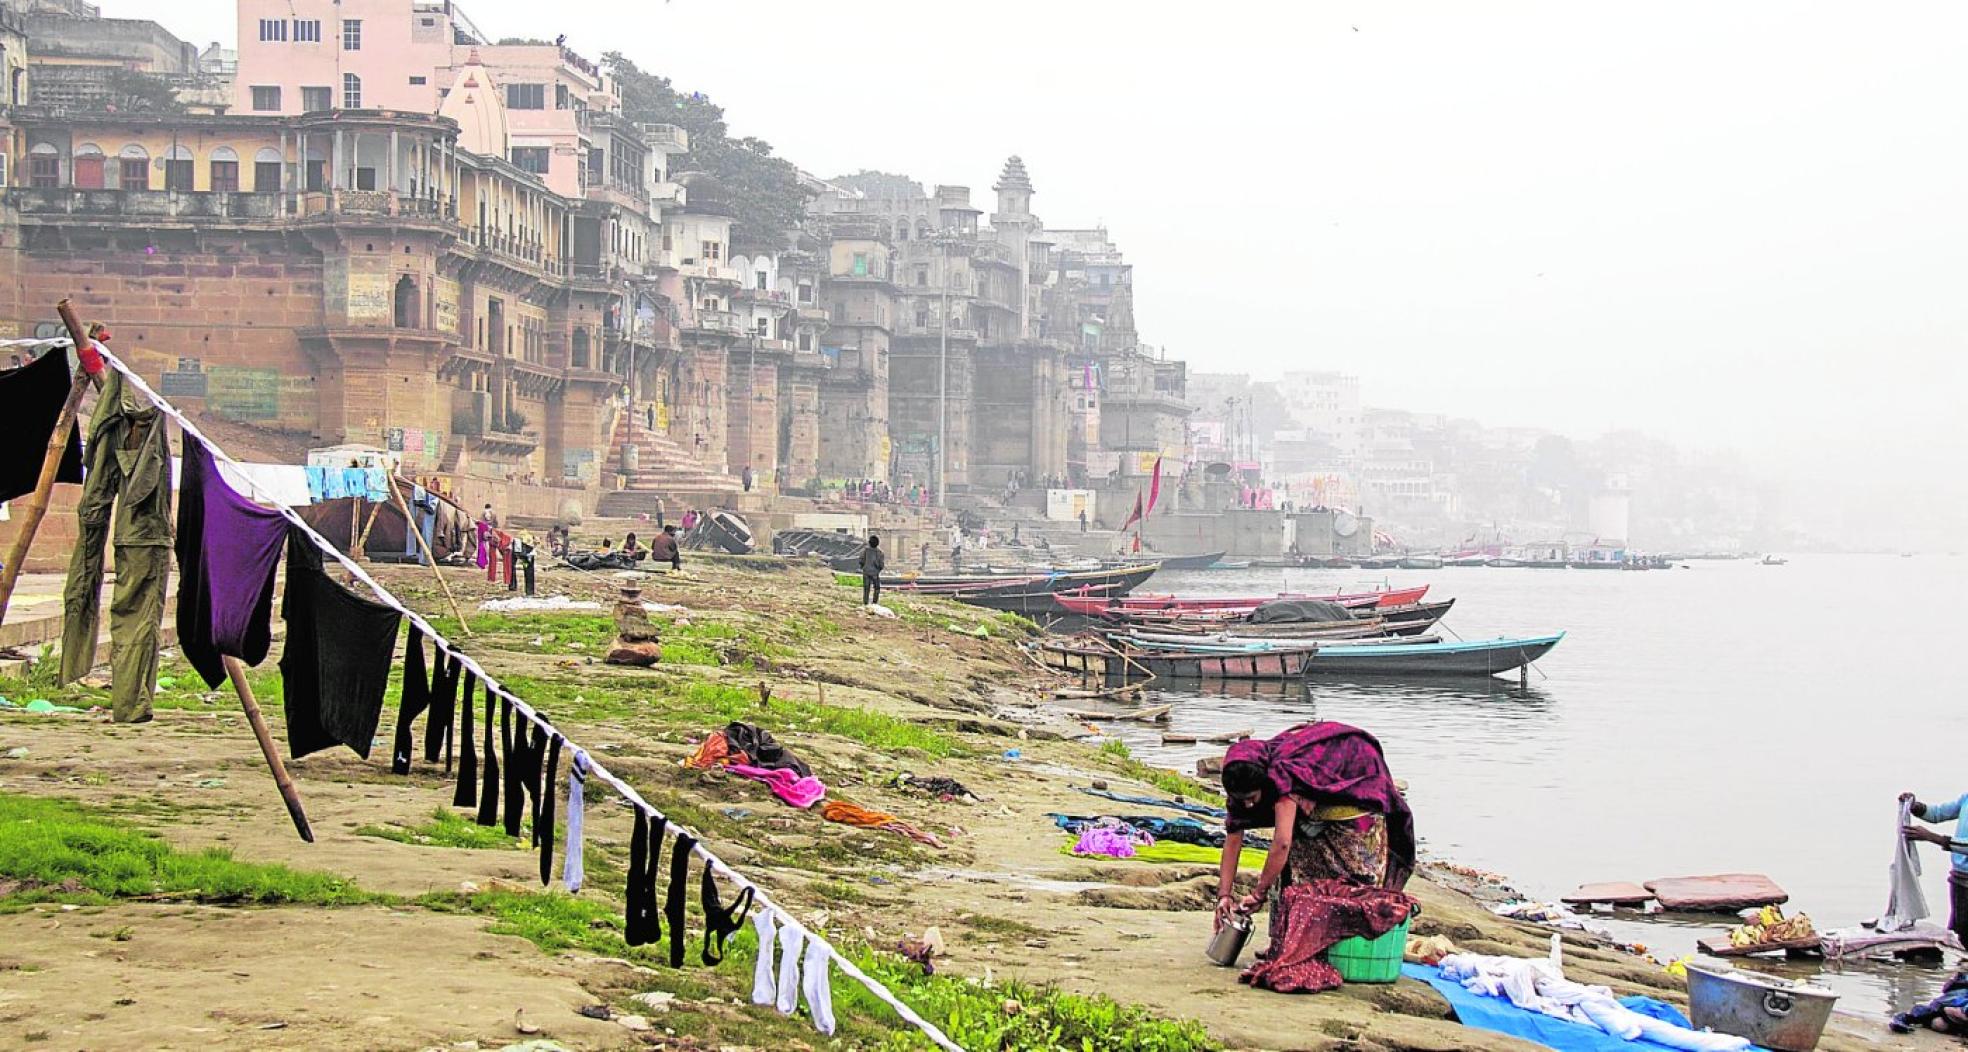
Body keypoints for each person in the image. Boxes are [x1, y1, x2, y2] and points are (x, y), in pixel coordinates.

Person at [1213, 722, 1416, 944]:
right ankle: (1295, 939)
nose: (1249, 806)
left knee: (1355, 884)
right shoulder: (1242, 783)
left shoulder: (1283, 777)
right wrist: (1224, 895)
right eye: (1242, 800)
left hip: (1357, 781)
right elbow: (1233, 840)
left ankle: (1341, 942)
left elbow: (1281, 843)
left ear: (1264, 783)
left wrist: (1259, 893)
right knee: (1296, 875)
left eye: (1252, 798)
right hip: (1314, 797)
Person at [1903, 790, 1968, 945]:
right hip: (1959, 879)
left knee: (1965, 935)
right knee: (1958, 930)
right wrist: (1915, 807)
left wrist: (1931, 837)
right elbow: (1937, 814)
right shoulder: (1966, 798)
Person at [859, 534, 886, 606]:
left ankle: (865, 602)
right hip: (875, 573)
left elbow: (861, 560)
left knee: (866, 588)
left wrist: (863, 567)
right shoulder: (880, 552)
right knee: (877, 588)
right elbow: (881, 565)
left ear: (869, 542)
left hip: (866, 572)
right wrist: (878, 569)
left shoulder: (865, 550)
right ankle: (874, 602)